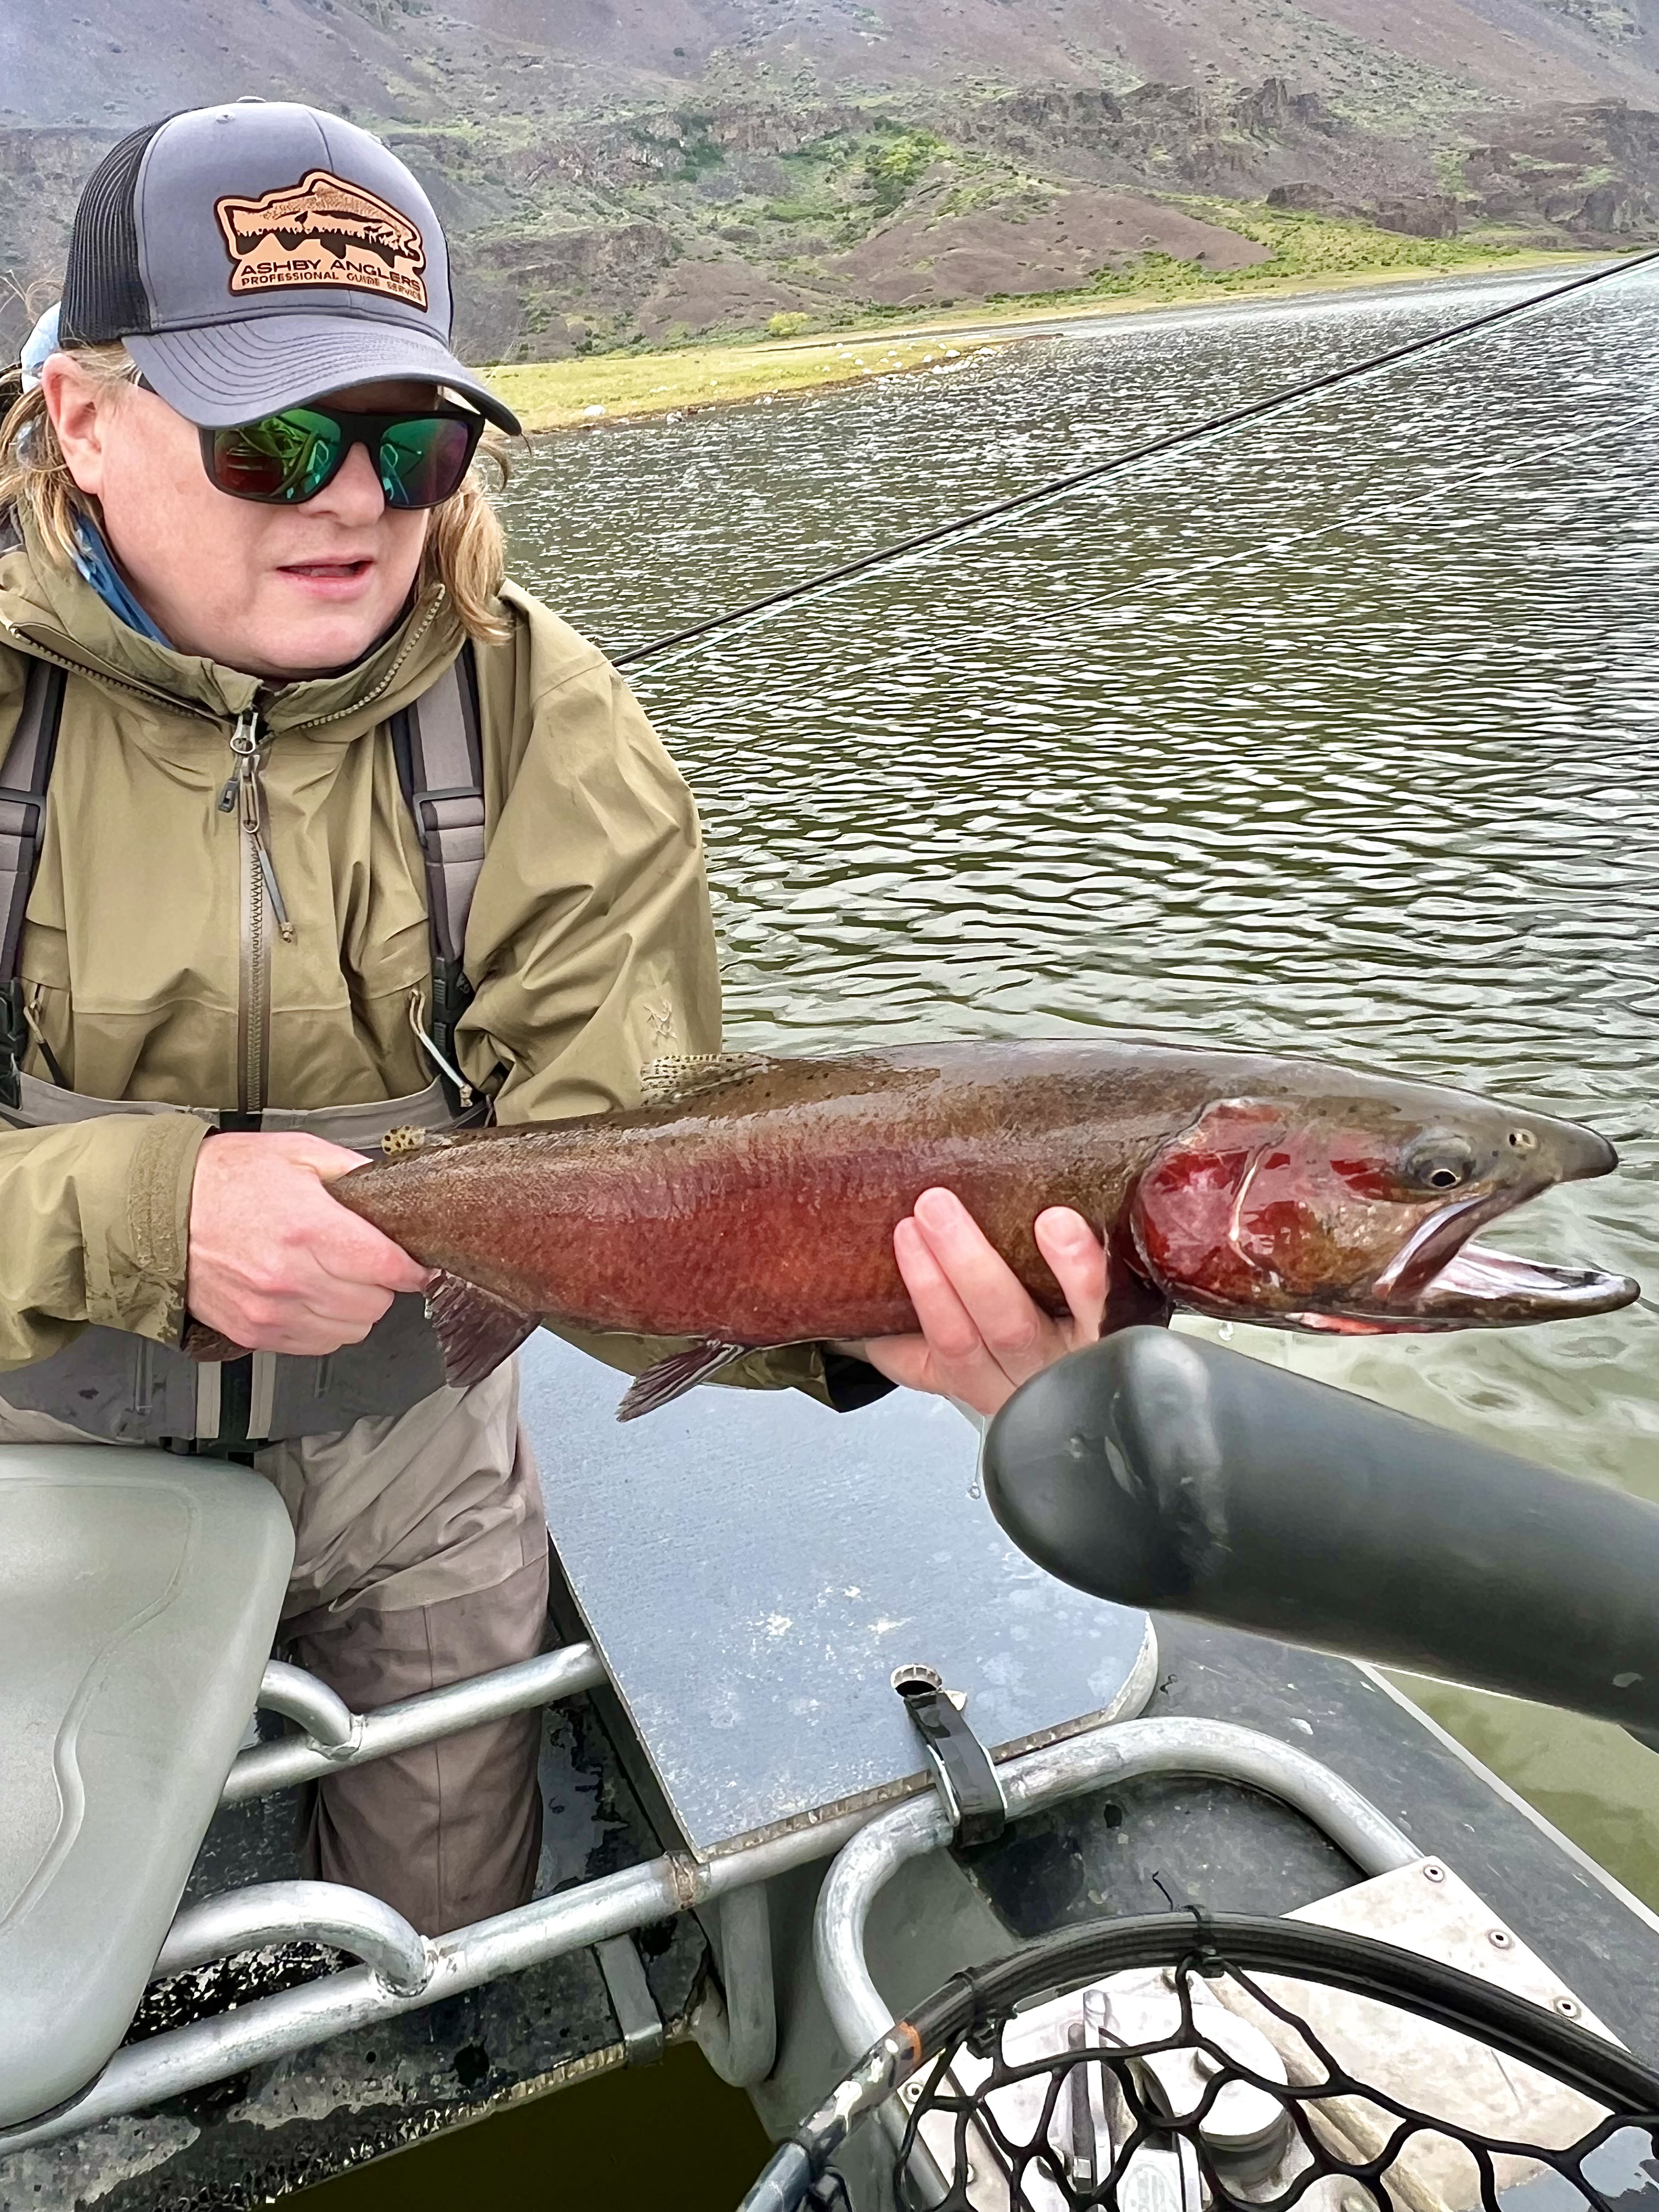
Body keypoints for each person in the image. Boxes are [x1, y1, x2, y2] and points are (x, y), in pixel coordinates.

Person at [0, 100, 1110, 1937]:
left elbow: (649, 1181)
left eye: (412, 439)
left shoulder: (544, 720)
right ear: (85, 419)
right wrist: (143, 1213)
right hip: (27, 1425)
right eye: (274, 440)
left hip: (417, 1456)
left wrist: (857, 1328)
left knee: (443, 1926)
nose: (357, 500)